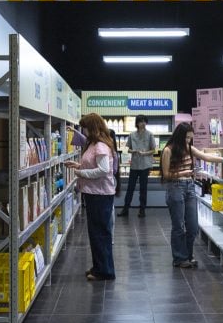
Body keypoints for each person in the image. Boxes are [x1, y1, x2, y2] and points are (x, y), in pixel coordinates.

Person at [160, 121, 223, 268]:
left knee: (193, 226)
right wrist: (184, 173)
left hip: (189, 187)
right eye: (186, 137)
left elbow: (206, 157)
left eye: (190, 138)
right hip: (175, 187)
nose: (188, 140)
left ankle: (188, 255)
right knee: (178, 226)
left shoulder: (189, 148)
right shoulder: (168, 150)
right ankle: (180, 258)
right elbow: (166, 175)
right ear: (179, 136)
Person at [65, 112, 117, 281]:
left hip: (100, 195)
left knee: (100, 233)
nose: (84, 131)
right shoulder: (94, 144)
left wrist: (81, 172)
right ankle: (99, 267)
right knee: (96, 233)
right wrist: (79, 165)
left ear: (92, 127)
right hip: (95, 193)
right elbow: (94, 165)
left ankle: (105, 271)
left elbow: (103, 170)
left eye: (85, 128)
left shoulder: (100, 146)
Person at [118, 115, 156, 218]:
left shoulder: (150, 134)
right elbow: (126, 149)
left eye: (144, 121)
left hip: (145, 165)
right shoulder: (132, 135)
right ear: (137, 123)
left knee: (143, 189)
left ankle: (142, 210)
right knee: (130, 188)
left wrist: (145, 153)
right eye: (140, 121)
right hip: (134, 165)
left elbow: (154, 150)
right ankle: (125, 209)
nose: (143, 123)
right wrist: (133, 151)